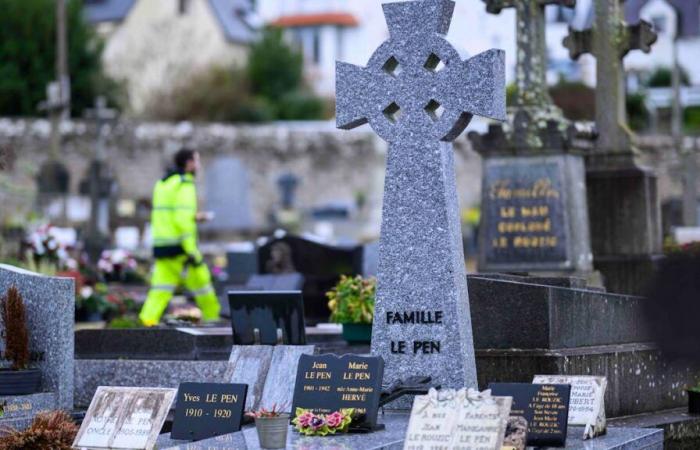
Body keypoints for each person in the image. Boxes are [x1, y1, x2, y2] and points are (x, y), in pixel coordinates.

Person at [139, 149, 220, 326]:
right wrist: (190, 250)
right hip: (181, 248)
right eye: (197, 161)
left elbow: (169, 215)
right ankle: (216, 327)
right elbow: (182, 219)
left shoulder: (163, 183)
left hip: (163, 245)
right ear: (189, 163)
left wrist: (195, 216)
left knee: (159, 291)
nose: (198, 165)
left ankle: (145, 325)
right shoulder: (184, 184)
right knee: (204, 289)